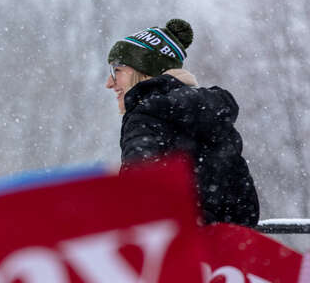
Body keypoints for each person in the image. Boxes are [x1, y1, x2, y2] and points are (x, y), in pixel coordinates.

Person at [105, 19, 260, 227]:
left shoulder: (146, 115)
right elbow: (245, 209)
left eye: (117, 71)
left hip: (175, 251)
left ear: (144, 72)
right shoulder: (211, 111)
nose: (109, 83)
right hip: (224, 253)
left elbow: (137, 195)